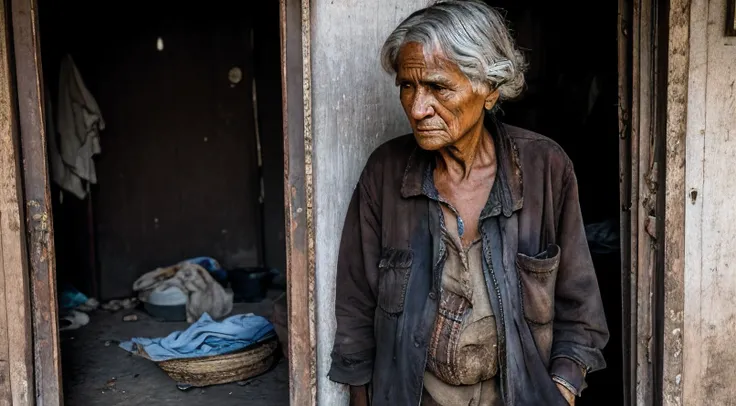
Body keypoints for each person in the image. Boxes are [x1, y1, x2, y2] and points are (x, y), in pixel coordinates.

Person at [327, 1, 609, 405]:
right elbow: (356, 306)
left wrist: (560, 389)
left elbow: (580, 309)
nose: (417, 107)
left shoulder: (545, 167)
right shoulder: (384, 174)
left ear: (489, 90)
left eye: (438, 87)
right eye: (408, 86)